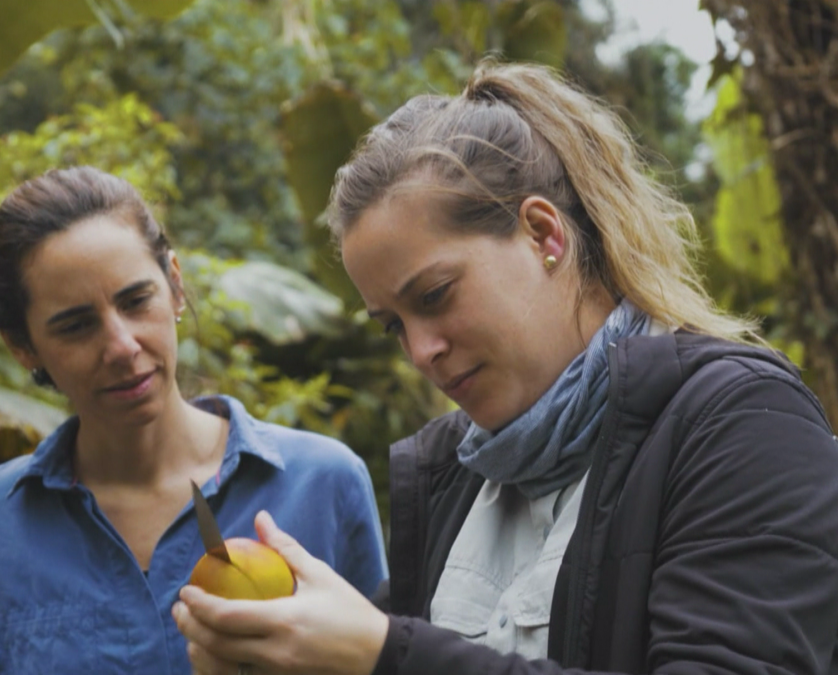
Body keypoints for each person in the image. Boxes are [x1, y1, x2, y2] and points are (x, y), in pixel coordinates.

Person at [173, 61, 838, 675]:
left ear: (544, 234)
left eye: (434, 296)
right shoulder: (452, 476)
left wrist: (388, 653)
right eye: (393, 324)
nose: (421, 351)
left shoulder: (743, 422)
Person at [0, 166, 387, 674]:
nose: (122, 347)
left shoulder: (320, 482)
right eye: (76, 326)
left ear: (175, 286)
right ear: (23, 347)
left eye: (136, 300)